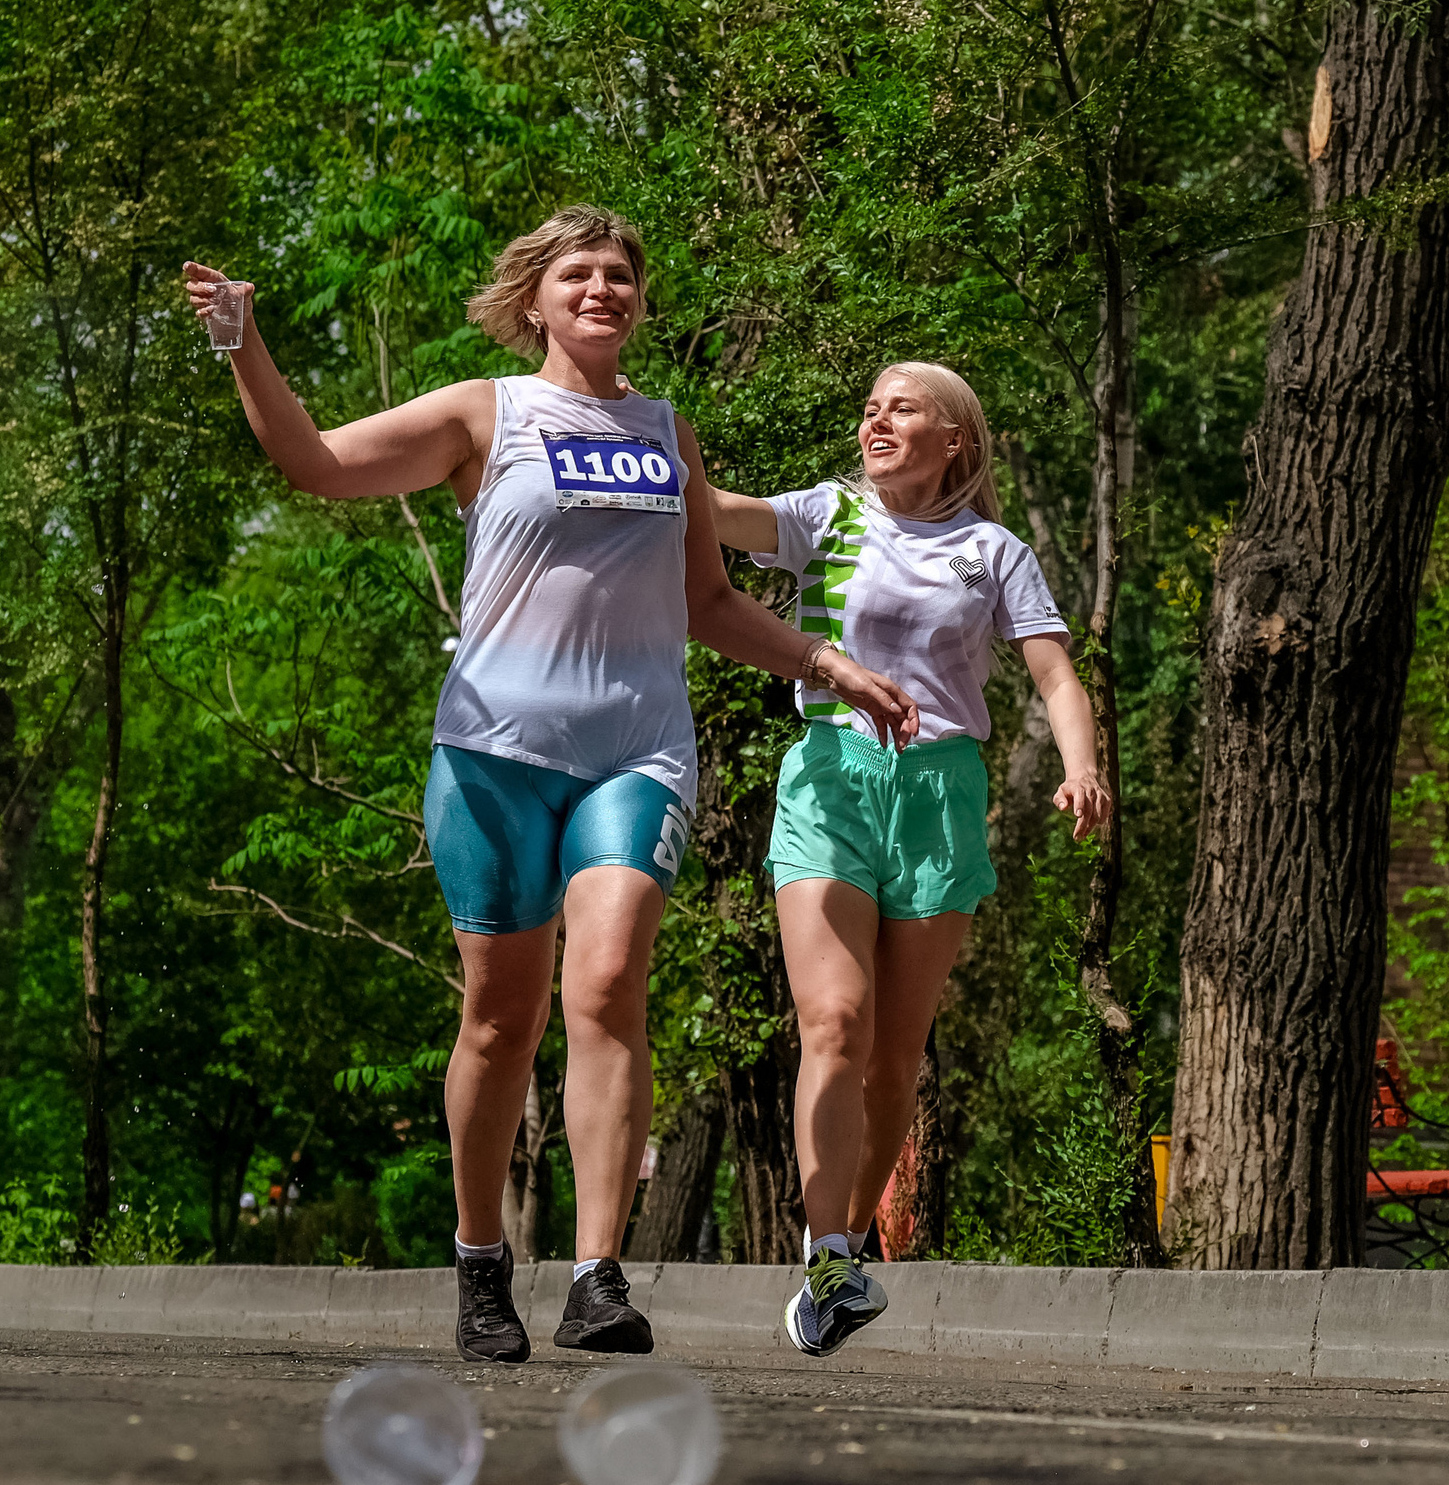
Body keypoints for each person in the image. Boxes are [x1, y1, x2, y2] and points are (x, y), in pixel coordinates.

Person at [183, 211, 914, 1364]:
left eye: (622, 274)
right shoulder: (489, 413)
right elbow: (311, 464)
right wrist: (243, 343)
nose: (604, 289)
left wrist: (825, 662)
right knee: (499, 1014)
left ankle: (595, 1276)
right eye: (580, 273)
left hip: (636, 750)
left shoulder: (667, 432)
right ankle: (482, 1263)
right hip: (493, 754)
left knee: (610, 982)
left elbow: (708, 605)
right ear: (535, 298)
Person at [711, 361, 1112, 1356]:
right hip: (832, 781)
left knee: (894, 1056)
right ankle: (825, 1251)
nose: (875, 419)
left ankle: (845, 1251)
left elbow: (1054, 674)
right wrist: (642, 425)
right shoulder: (824, 515)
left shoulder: (993, 551)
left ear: (953, 442)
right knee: (833, 1022)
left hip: (940, 796)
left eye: (902, 407)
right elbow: (713, 513)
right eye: (869, 408)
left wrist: (1082, 768)